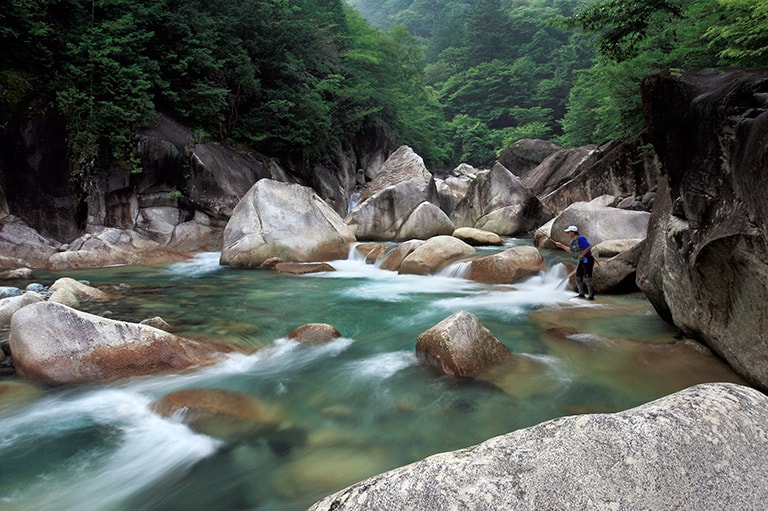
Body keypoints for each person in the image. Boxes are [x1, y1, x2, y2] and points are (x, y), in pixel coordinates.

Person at [554, 225, 595, 300]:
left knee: (587, 279)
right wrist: (562, 246)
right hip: (582, 261)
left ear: (573, 232)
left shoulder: (580, 239)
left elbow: (588, 247)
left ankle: (591, 296)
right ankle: (581, 294)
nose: (567, 234)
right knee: (578, 278)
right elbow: (571, 251)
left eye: (568, 232)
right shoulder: (573, 241)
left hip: (588, 260)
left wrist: (582, 255)